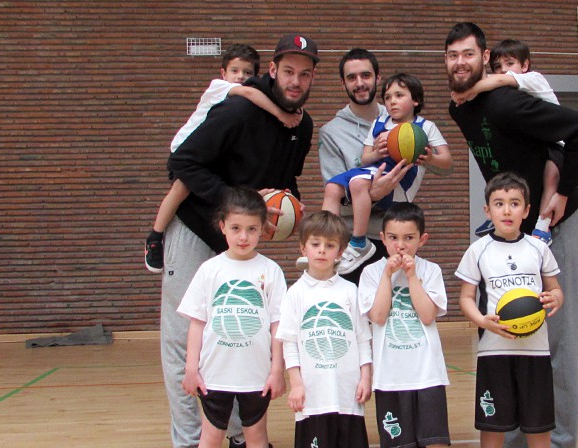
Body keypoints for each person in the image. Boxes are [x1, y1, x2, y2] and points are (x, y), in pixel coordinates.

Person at [163, 33, 319, 448]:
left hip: (242, 239)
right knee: (185, 336)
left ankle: (236, 438)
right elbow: (181, 162)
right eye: (288, 71)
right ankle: (189, 444)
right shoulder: (237, 110)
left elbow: (284, 180)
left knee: (239, 334)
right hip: (196, 228)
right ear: (273, 70)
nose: (295, 81)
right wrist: (241, 204)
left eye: (305, 74)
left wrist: (291, 205)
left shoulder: (301, 126)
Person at [445, 22, 578, 448]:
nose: (460, 63)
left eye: (468, 54)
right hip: (513, 229)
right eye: (452, 55)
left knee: (558, 339)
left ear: (484, 57)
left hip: (553, 223)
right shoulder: (460, 108)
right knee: (513, 333)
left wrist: (562, 190)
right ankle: (514, 442)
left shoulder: (506, 103)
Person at [144, 43, 302, 273]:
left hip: (208, 162)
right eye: (235, 71)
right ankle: (155, 236)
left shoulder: (248, 105)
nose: (240, 77)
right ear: (223, 73)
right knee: (182, 188)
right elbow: (250, 92)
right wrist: (281, 114)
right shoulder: (221, 88)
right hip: (184, 148)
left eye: (247, 73)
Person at [455, 172, 564, 448]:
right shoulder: (478, 250)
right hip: (494, 351)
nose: (507, 210)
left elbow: (555, 290)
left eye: (515, 204)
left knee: (538, 425)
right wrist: (481, 321)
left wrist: (555, 298)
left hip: (535, 351)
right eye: (499, 204)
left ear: (526, 211)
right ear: (487, 210)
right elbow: (465, 298)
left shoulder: (538, 248)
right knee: (493, 424)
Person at [178, 187, 286, 448]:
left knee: (256, 436)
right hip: (214, 373)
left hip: (256, 373)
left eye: (251, 229)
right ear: (222, 226)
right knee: (211, 437)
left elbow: (278, 325)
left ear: (262, 229)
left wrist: (277, 369)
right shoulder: (209, 269)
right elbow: (197, 323)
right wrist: (191, 368)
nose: (243, 236)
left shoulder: (270, 270)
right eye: (236, 228)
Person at [322, 73, 452, 274]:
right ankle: (326, 243)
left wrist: (430, 159)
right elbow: (365, 158)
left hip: (399, 181)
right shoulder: (379, 123)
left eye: (399, 95)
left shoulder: (425, 126)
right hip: (374, 171)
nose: (392, 101)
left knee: (357, 184)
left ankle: (358, 242)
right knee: (332, 187)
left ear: (415, 100)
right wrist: (377, 152)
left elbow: (447, 161)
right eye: (388, 97)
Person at [276, 211, 373, 448]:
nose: (322, 250)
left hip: (347, 395)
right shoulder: (295, 293)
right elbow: (290, 343)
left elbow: (363, 339)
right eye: (315, 244)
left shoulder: (350, 291)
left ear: (340, 252)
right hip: (312, 397)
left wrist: (365, 377)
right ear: (303, 248)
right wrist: (296, 384)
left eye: (330, 245)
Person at [358, 202, 451, 448]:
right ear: (382, 239)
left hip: (428, 374)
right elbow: (377, 316)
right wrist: (387, 276)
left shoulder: (430, 270)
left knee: (437, 442)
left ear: (422, 239)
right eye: (393, 238)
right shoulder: (371, 273)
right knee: (396, 447)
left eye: (409, 238)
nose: (400, 245)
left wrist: (411, 277)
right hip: (389, 377)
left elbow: (428, 315)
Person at [316, 49, 412, 284]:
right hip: (352, 243)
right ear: (343, 83)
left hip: (396, 235)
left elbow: (437, 169)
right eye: (352, 77)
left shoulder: (401, 120)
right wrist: (374, 194)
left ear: (377, 78)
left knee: (389, 306)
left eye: (366, 75)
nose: (359, 83)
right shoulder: (331, 132)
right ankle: (322, 243)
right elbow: (337, 194)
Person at [451, 39, 561, 245]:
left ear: (525, 65)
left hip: (556, 141)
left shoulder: (533, 79)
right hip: (535, 140)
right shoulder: (505, 94)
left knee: (551, 175)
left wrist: (465, 90)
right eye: (498, 66)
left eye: (510, 64)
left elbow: (499, 80)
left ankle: (543, 226)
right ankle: (496, 215)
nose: (503, 70)